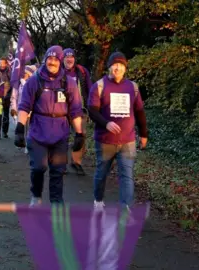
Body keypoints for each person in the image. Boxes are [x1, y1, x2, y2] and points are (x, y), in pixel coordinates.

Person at [14, 45, 85, 205]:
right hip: (38, 132)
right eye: (49, 58)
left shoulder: (69, 83)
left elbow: (75, 110)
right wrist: (19, 128)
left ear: (60, 61)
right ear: (45, 59)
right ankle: (36, 195)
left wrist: (79, 134)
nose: (52, 62)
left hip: (60, 133)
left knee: (57, 170)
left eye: (55, 59)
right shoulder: (34, 81)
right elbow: (24, 106)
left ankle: (56, 202)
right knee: (39, 167)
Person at [87, 51, 148, 209]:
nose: (118, 68)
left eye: (121, 65)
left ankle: (125, 208)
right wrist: (106, 123)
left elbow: (140, 111)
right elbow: (92, 110)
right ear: (109, 67)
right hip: (105, 141)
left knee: (127, 175)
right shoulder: (99, 86)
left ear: (125, 68)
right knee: (101, 174)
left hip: (128, 140)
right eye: (115, 65)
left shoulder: (132, 87)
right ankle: (98, 200)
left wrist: (143, 133)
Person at [63, 48, 93, 175]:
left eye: (72, 57)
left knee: (81, 136)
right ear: (62, 58)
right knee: (61, 136)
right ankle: (61, 163)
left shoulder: (82, 71)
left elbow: (90, 89)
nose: (69, 59)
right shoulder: (58, 72)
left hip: (80, 109)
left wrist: (92, 107)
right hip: (62, 110)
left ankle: (76, 163)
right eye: (67, 57)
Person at [10, 65, 37, 154]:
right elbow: (14, 97)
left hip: (31, 110)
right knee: (22, 128)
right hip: (21, 110)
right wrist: (14, 108)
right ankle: (24, 143)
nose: (23, 74)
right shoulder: (17, 84)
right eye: (23, 73)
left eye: (25, 73)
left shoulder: (33, 83)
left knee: (30, 129)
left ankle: (29, 145)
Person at [0, 56, 12, 138]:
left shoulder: (10, 71)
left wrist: (8, 91)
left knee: (6, 114)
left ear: (6, 64)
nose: (2, 65)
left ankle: (4, 131)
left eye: (3, 63)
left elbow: (12, 83)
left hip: (7, 96)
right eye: (0, 63)